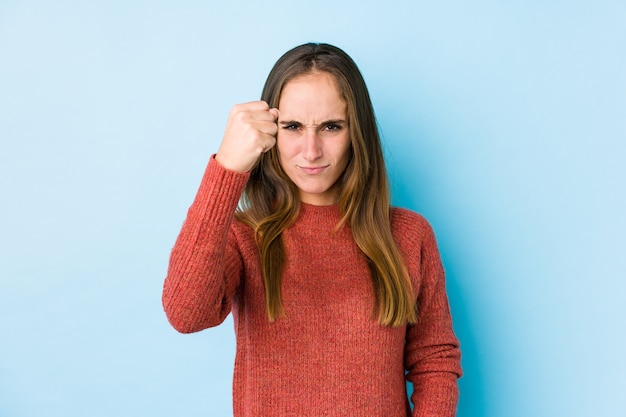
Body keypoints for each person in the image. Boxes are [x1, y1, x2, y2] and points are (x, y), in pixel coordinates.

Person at [162, 42, 462, 416]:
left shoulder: (408, 235)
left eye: (331, 127)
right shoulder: (245, 236)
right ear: (270, 133)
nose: (311, 151)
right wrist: (227, 167)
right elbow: (186, 314)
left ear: (357, 133)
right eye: (292, 127)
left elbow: (434, 361)